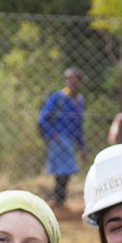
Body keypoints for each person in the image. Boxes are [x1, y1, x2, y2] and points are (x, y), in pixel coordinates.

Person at [38, 68, 87, 208]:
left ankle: (60, 200)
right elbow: (43, 118)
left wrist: (82, 146)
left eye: (74, 79)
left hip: (71, 141)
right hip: (59, 139)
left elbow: (79, 125)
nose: (71, 82)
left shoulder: (79, 101)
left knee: (67, 171)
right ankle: (59, 201)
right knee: (61, 171)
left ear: (80, 81)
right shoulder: (58, 97)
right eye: (68, 79)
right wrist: (54, 135)